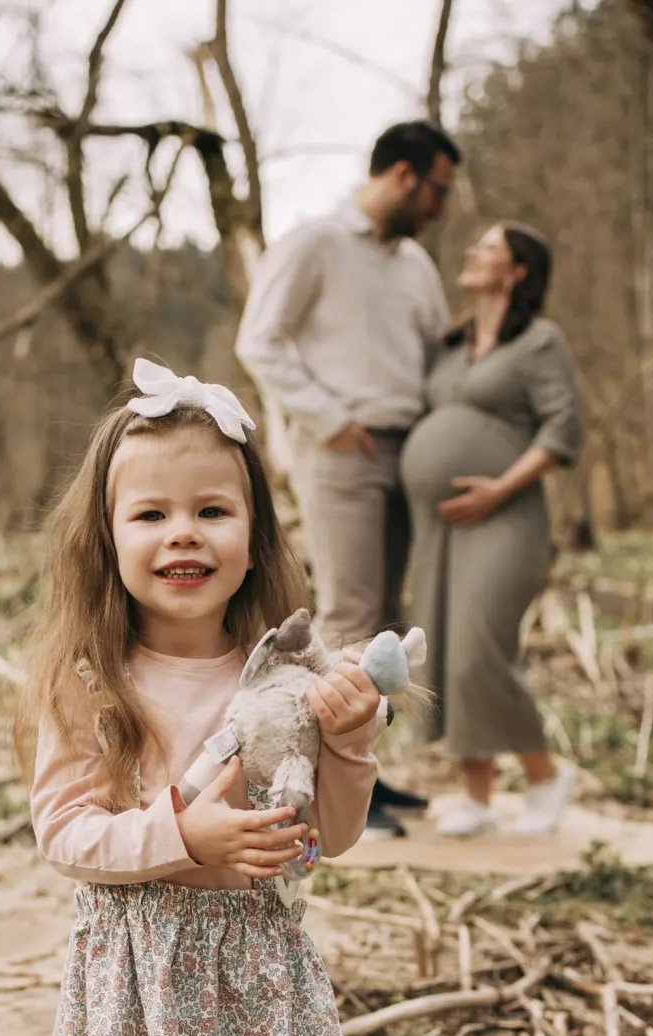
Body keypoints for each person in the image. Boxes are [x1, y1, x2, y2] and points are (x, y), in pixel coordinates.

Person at [18, 360, 383, 1036]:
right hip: (137, 974)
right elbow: (67, 831)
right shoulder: (93, 676)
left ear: (254, 534)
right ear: (109, 535)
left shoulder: (287, 677)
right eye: (154, 513)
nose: (185, 534)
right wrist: (182, 835)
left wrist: (353, 743)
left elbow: (330, 833)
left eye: (212, 510)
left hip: (254, 971)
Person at [235, 119, 461, 837]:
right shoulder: (314, 242)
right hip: (340, 448)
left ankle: (364, 777)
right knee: (349, 612)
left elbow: (435, 354)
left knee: (387, 623)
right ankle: (322, 787)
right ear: (401, 174)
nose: (440, 207)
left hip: (410, 448)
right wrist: (326, 417)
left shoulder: (415, 266)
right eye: (437, 190)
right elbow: (258, 338)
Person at [399, 223, 583, 837]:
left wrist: (499, 488)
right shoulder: (451, 347)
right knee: (445, 651)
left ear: (518, 271)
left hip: (506, 516)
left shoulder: (538, 342)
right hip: (442, 524)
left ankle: (544, 775)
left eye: (488, 248)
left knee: (480, 649)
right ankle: (476, 795)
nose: (472, 252)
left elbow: (562, 429)